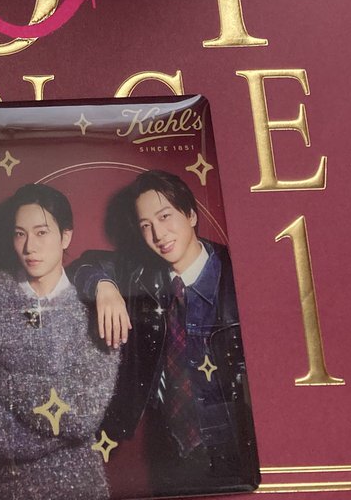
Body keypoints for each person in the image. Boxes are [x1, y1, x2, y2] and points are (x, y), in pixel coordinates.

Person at [71, 170, 259, 496]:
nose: (158, 234)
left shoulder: (238, 272)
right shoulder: (143, 273)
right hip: (171, 451)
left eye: (165, 216)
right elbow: (81, 266)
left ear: (191, 215)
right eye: (146, 225)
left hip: (238, 449)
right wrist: (104, 286)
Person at [0, 183, 120, 500]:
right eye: (20, 234)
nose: (29, 247)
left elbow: (82, 416)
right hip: (5, 486)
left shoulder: (97, 307)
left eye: (42, 232)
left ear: (65, 237)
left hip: (77, 484)